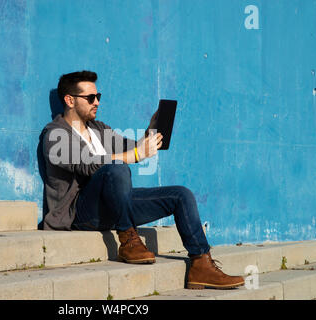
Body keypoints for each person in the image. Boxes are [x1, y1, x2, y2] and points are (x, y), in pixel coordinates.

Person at [40, 70, 244, 289]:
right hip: (78, 213)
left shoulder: (98, 130)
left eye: (99, 96)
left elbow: (131, 147)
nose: (97, 102)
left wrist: (151, 129)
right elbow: (89, 163)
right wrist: (136, 155)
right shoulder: (54, 135)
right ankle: (128, 240)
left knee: (180, 195)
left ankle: (201, 265)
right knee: (116, 167)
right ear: (70, 100)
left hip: (112, 204)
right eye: (90, 98)